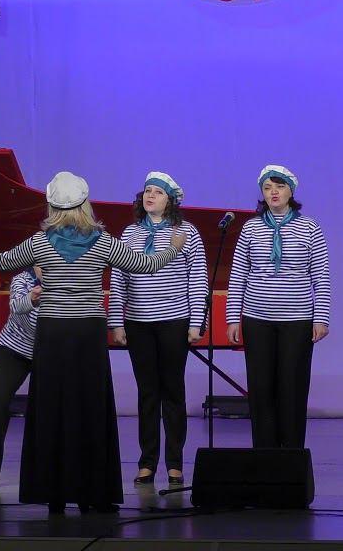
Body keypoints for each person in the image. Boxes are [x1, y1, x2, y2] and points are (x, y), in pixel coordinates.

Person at [0, 171, 185, 514]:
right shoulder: (103, 242)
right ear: (85, 204)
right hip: (87, 334)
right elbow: (144, 265)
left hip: (52, 333)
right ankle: (92, 493)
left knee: (51, 409)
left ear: (52, 207)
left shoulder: (40, 243)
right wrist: (172, 249)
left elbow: (1, 262)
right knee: (90, 408)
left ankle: (54, 494)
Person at [108, 172, 208, 487]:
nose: (150, 196)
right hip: (138, 323)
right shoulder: (130, 233)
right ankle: (147, 463)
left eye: (158, 192)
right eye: (147, 191)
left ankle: (175, 463)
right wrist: (116, 321)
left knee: (173, 391)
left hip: (174, 321)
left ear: (171, 200)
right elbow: (119, 278)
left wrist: (196, 321)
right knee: (147, 393)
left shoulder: (187, 232)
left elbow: (198, 279)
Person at [226, 165, 331, 449]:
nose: (273, 192)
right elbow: (238, 274)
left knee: (292, 388)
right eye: (267, 187)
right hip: (256, 318)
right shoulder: (251, 227)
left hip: (297, 320)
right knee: (261, 389)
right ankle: (264, 456)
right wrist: (232, 318)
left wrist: (321, 318)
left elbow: (321, 275)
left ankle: (291, 456)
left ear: (291, 191)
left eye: (279, 186)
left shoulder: (310, 227)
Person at [0, 266, 40, 488]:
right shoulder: (21, 280)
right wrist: (34, 296)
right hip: (15, 347)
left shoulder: (66, 280)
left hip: (51, 350)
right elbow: (21, 313)